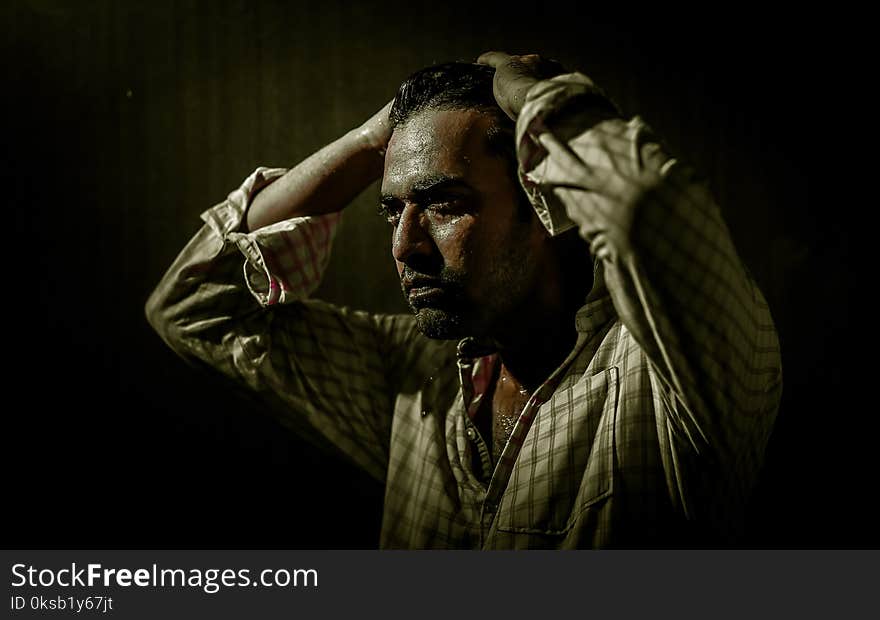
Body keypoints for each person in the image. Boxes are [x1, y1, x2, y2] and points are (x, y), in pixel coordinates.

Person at [146, 52, 782, 549]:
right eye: (392, 209)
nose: (405, 247)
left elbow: (645, 208)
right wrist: (374, 140)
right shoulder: (411, 383)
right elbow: (191, 306)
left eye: (446, 204)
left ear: (542, 202)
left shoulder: (665, 380)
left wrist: (534, 94)